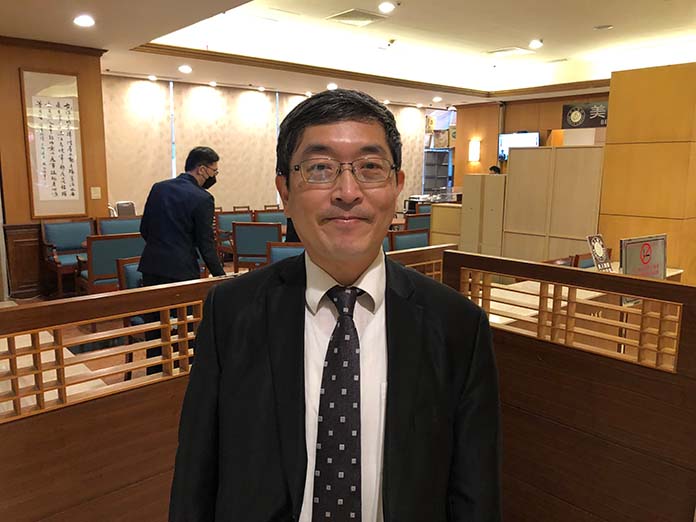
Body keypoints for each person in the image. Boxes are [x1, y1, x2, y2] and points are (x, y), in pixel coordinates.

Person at [169, 90, 501, 521]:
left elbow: (475, 491)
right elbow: (195, 477)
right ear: (285, 192)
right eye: (320, 168)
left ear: (397, 186)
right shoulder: (231, 311)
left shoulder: (458, 325)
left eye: (370, 168)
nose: (347, 192)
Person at [139, 146, 225, 284]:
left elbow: (144, 229)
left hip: (151, 266)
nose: (214, 176)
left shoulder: (158, 188)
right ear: (202, 170)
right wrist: (221, 277)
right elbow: (205, 244)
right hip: (181, 269)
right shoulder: (203, 198)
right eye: (214, 171)